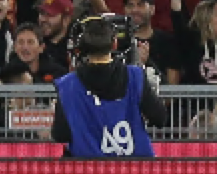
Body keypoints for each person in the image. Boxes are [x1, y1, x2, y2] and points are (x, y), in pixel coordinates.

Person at [48, 12, 162, 157]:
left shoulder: (67, 84)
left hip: (88, 171)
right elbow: (159, 118)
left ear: (80, 48)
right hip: (134, 170)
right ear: (114, 43)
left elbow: (60, 135)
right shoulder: (136, 75)